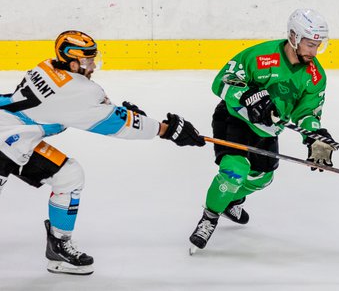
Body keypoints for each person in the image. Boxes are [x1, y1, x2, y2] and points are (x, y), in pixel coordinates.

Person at [0, 30, 206, 275]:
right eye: (87, 61)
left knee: (68, 176)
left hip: (16, 139)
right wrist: (166, 130)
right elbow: (114, 125)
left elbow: (91, 108)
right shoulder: (78, 90)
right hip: (7, 143)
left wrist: (128, 114)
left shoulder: (46, 67)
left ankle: (58, 247)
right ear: (71, 61)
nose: (93, 65)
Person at [188, 9, 336, 252]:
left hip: (267, 130)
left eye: (318, 45)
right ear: (293, 36)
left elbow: (306, 113)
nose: (314, 51)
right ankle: (210, 217)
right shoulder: (260, 56)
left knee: (262, 179)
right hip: (233, 119)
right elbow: (221, 81)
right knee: (234, 172)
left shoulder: (315, 76)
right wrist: (246, 95)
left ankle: (230, 201)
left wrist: (313, 136)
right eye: (310, 44)